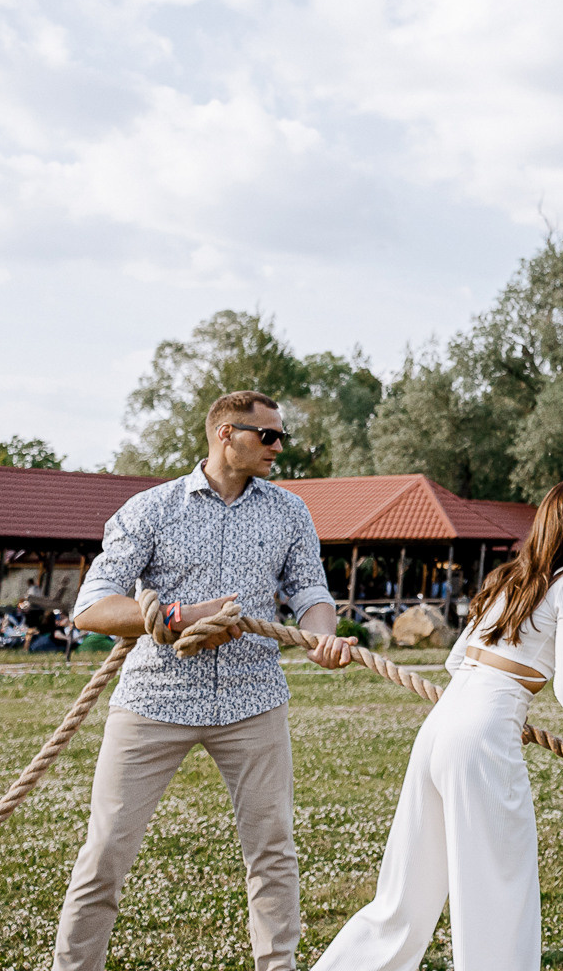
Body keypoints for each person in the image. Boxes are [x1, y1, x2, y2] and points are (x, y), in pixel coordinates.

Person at [55, 391, 357, 971]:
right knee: (105, 854)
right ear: (225, 434)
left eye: (281, 436)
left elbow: (311, 591)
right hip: (154, 701)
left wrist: (322, 635)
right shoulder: (151, 508)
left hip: (253, 701)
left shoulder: (290, 511)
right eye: (267, 436)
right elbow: (91, 607)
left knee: (273, 852)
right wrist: (177, 618)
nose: (279, 446)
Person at [315, 481, 563, 970]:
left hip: (441, 726)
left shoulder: (509, 577)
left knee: (406, 892)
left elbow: (457, 663)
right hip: (484, 739)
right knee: (500, 888)